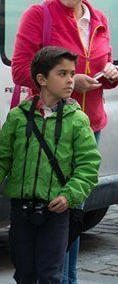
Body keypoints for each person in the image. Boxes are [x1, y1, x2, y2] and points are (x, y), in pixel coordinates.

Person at [0, 46, 101, 284]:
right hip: (21, 210)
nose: (70, 80)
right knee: (24, 274)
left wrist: (69, 196)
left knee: (50, 275)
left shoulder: (77, 120)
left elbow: (88, 166)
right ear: (42, 79)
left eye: (71, 73)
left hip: (56, 212)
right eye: (62, 74)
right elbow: (2, 158)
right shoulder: (17, 117)